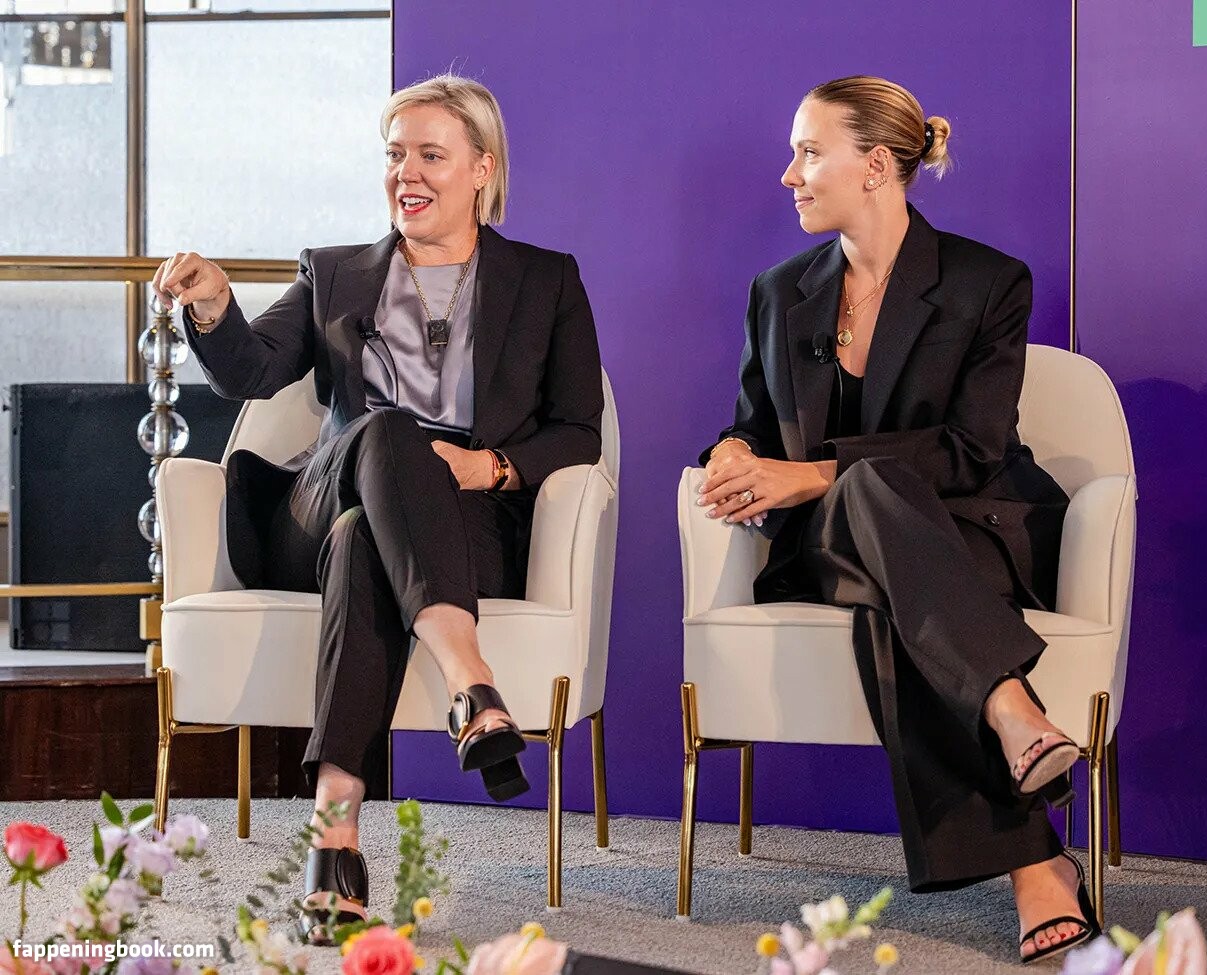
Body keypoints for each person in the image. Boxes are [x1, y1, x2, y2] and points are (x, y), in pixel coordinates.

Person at [151, 74, 602, 942]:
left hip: (456, 519)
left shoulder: (546, 282)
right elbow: (252, 372)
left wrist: (489, 466)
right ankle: (470, 681)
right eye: (395, 155)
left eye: (431, 154)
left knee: (368, 540)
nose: (406, 172)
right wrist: (213, 305)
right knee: (387, 435)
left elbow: (579, 429)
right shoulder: (335, 272)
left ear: (483, 168)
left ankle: (336, 838)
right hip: (313, 513)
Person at [698, 75, 1096, 964]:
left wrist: (810, 473)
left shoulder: (988, 282)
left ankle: (1036, 863)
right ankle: (1012, 716)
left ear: (875, 166)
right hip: (831, 545)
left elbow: (972, 450)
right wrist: (731, 450)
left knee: (890, 588)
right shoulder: (779, 291)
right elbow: (754, 425)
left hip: (965, 530)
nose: (789, 174)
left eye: (809, 152)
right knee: (868, 503)